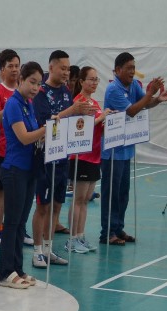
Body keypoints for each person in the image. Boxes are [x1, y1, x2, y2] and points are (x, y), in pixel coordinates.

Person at [31, 50, 93, 267]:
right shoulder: (41, 93)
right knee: (43, 207)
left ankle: (49, 249)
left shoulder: (66, 93)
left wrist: (82, 115)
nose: (67, 73)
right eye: (63, 68)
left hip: (63, 157)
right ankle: (37, 251)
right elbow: (45, 123)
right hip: (45, 159)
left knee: (57, 206)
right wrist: (72, 110)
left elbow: (69, 121)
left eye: (68, 69)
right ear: (51, 68)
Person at [101, 52, 167, 245]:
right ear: (118, 70)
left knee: (123, 193)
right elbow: (131, 111)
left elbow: (144, 104)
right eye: (129, 68)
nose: (132, 72)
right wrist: (149, 94)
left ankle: (118, 228)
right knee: (111, 194)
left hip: (126, 148)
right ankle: (107, 233)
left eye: (134, 68)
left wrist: (157, 99)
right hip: (113, 151)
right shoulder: (113, 89)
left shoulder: (133, 86)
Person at [0, 62, 50, 289]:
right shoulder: (13, 105)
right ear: (21, 79)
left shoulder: (29, 104)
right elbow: (24, 137)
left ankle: (17, 268)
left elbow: (34, 136)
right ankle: (5, 272)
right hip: (14, 170)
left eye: (39, 84)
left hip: (29, 170)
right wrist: (47, 129)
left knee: (21, 222)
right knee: (11, 222)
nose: (35, 88)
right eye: (32, 82)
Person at [68, 66, 106, 254]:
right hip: (80, 157)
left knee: (86, 200)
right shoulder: (78, 102)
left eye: (96, 79)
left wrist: (107, 122)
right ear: (81, 82)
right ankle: (71, 239)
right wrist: (101, 118)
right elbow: (82, 128)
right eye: (91, 79)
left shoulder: (95, 103)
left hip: (95, 157)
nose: (94, 83)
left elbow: (98, 128)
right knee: (78, 199)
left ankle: (81, 236)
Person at [0, 49, 22, 248]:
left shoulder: (23, 90)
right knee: (0, 192)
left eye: (17, 66)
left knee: (18, 193)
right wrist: (9, 108)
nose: (14, 70)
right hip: (2, 149)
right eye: (10, 66)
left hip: (21, 150)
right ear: (2, 69)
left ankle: (18, 228)